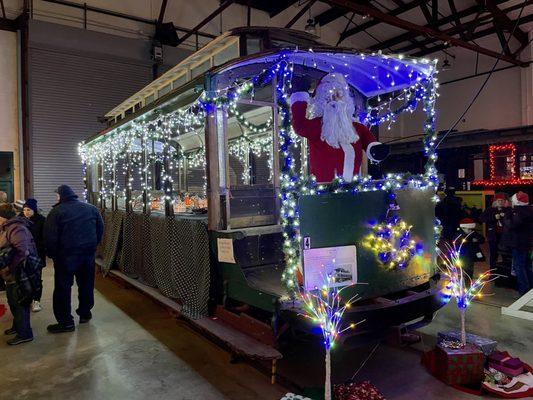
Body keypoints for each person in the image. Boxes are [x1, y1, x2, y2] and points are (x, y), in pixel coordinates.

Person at [290, 73, 389, 182]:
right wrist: (299, 96)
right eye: (329, 97)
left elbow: (369, 143)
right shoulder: (317, 126)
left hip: (353, 189)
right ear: (322, 102)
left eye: (339, 95)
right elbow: (299, 125)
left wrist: (375, 150)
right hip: (324, 190)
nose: (335, 100)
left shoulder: (357, 128)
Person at [44, 185, 104, 333]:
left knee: (63, 288)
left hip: (66, 256)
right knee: (86, 284)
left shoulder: (56, 212)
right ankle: (85, 313)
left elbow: (49, 236)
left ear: (61, 196)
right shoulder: (91, 208)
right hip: (87, 254)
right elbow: (100, 228)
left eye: (57, 195)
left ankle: (66, 322)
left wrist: (52, 255)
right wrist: (93, 245)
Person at [0, 207, 38, 345]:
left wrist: (9, 268)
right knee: (12, 300)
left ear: (3, 217)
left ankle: (25, 333)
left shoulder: (16, 228)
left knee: (19, 302)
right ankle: (17, 327)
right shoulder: (8, 228)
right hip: (12, 273)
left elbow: (23, 252)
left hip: (19, 272)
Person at [502, 191, 533, 296]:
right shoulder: (529, 210)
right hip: (527, 243)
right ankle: (530, 289)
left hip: (519, 243)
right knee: (527, 265)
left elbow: (512, 225)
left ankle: (524, 291)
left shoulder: (518, 212)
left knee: (519, 266)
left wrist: (506, 216)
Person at [21, 198, 46, 312]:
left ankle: (36, 300)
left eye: (29, 210)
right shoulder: (20, 220)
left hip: (37, 254)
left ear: (34, 210)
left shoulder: (41, 220)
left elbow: (44, 237)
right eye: (25, 209)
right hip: (22, 254)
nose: (26, 212)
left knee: (36, 278)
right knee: (24, 278)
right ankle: (26, 299)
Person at [480, 193, 511, 271]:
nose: (500, 202)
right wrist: (493, 217)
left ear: (505, 201)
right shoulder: (490, 210)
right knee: (493, 254)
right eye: (498, 201)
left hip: (505, 236)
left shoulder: (508, 210)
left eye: (502, 201)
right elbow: (482, 219)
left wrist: (505, 217)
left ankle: (505, 273)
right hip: (493, 236)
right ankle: (492, 272)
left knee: (505, 255)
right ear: (495, 201)